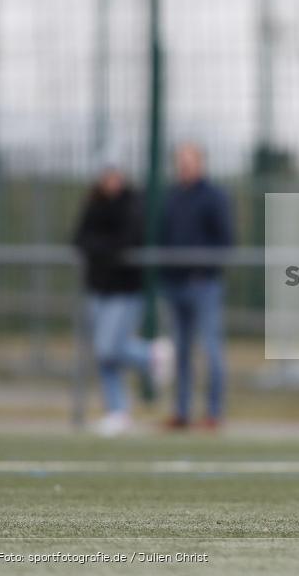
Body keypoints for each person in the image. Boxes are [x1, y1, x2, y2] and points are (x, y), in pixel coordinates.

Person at [73, 166, 173, 437]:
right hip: (98, 288)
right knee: (104, 354)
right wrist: (102, 248)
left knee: (107, 347)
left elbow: (125, 243)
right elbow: (79, 239)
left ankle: (150, 355)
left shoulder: (133, 204)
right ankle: (118, 412)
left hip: (125, 289)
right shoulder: (93, 204)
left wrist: (99, 248)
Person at [160, 143, 234, 430]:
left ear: (200, 163)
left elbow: (225, 240)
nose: (184, 166)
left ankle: (213, 413)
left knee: (211, 349)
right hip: (174, 284)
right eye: (181, 161)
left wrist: (203, 268)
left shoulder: (214, 197)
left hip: (204, 285)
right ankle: (181, 412)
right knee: (180, 352)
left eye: (189, 161)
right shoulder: (172, 196)